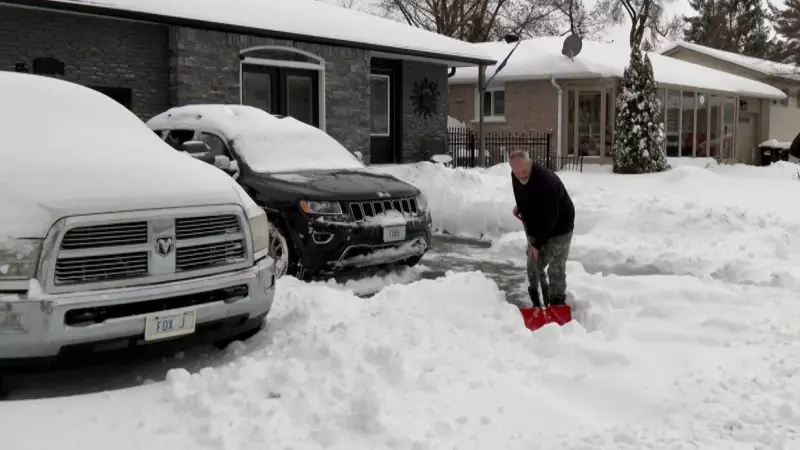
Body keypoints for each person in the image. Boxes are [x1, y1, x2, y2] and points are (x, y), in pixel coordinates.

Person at [509, 149, 575, 308]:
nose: (521, 176)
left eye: (524, 171)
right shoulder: (516, 175)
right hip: (539, 221)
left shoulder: (546, 181)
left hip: (560, 225)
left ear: (530, 163)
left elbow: (550, 218)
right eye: (517, 173)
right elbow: (521, 194)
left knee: (555, 267)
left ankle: (557, 302)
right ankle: (537, 301)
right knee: (533, 264)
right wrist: (521, 207)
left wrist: (537, 244)